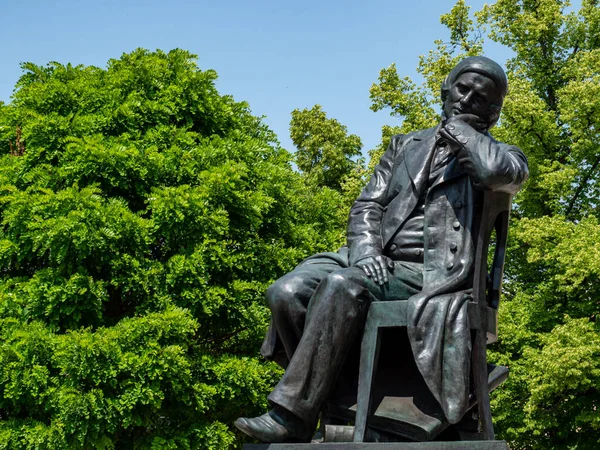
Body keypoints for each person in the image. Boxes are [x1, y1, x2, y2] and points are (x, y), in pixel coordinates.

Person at [235, 56, 529, 443]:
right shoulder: (404, 145)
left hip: (429, 272)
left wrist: (459, 130)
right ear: (445, 90)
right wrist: (368, 251)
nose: (467, 100)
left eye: (480, 98)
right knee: (286, 292)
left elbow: (495, 174)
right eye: (462, 90)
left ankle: (293, 415)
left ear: (492, 112)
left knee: (342, 286)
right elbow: (367, 205)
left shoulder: (505, 155)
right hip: (370, 256)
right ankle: (336, 399)